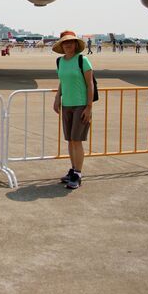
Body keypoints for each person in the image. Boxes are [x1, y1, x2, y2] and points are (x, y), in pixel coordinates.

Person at [52, 31, 94, 190]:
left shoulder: (83, 60)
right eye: (65, 42)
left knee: (77, 140)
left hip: (81, 105)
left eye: (71, 42)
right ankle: (73, 169)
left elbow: (89, 84)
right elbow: (62, 82)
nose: (68, 45)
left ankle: (78, 173)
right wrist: (57, 98)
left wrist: (89, 107)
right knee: (70, 140)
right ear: (61, 46)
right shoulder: (60, 61)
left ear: (76, 44)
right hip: (67, 105)